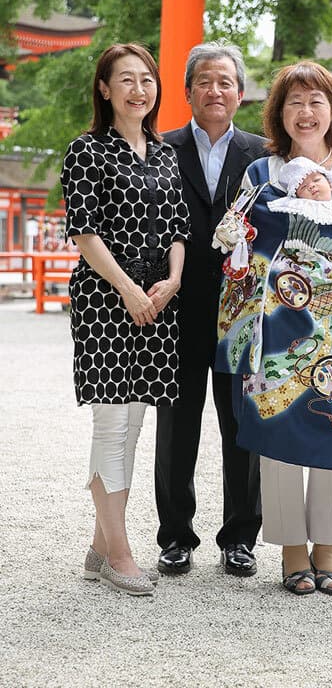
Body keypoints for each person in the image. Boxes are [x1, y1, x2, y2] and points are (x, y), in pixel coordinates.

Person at [215, 61, 332, 597]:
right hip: (277, 326)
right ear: (278, 114)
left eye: (316, 101)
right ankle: (292, 550)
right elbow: (239, 241)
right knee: (278, 427)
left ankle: (329, 549)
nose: (305, 111)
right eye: (294, 102)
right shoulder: (261, 174)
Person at [60, 43, 190, 596]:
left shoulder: (164, 153)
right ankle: (120, 553)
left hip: (159, 300)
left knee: (134, 426)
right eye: (126, 80)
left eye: (147, 79)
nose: (139, 90)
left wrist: (174, 279)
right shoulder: (85, 151)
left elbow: (180, 227)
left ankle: (98, 545)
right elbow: (84, 233)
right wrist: (130, 289)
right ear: (105, 89)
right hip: (107, 299)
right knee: (112, 425)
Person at [154, 43, 266, 577]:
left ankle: (240, 536)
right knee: (177, 426)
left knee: (242, 424)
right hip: (178, 305)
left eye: (225, 82)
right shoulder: (160, 148)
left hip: (243, 309)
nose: (215, 91)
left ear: (240, 93)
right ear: (187, 92)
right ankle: (175, 536)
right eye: (204, 82)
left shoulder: (264, 155)